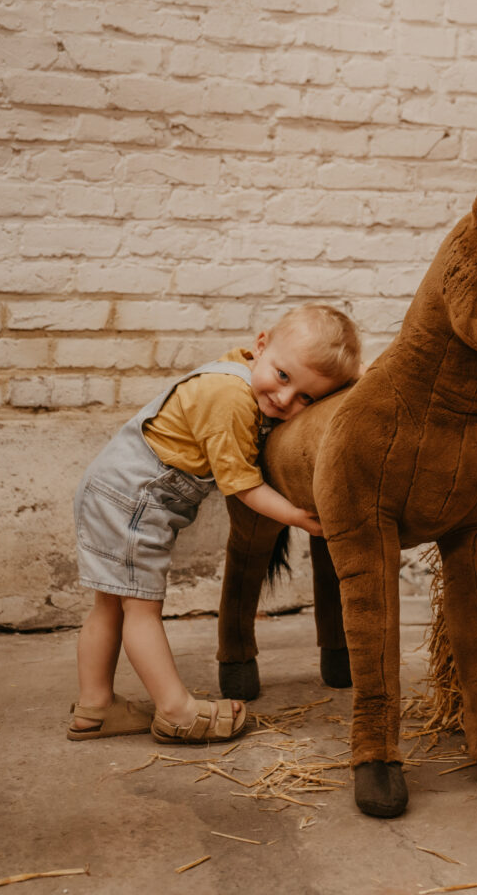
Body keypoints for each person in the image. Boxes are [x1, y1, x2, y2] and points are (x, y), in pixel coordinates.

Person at [68, 304, 361, 745]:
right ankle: (176, 711)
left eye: (306, 398)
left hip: (112, 489)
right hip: (132, 499)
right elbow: (242, 486)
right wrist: (297, 517)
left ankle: (95, 707)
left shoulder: (237, 369)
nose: (284, 400)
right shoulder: (229, 398)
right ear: (260, 345)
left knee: (109, 604)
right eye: (283, 377)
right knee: (141, 610)